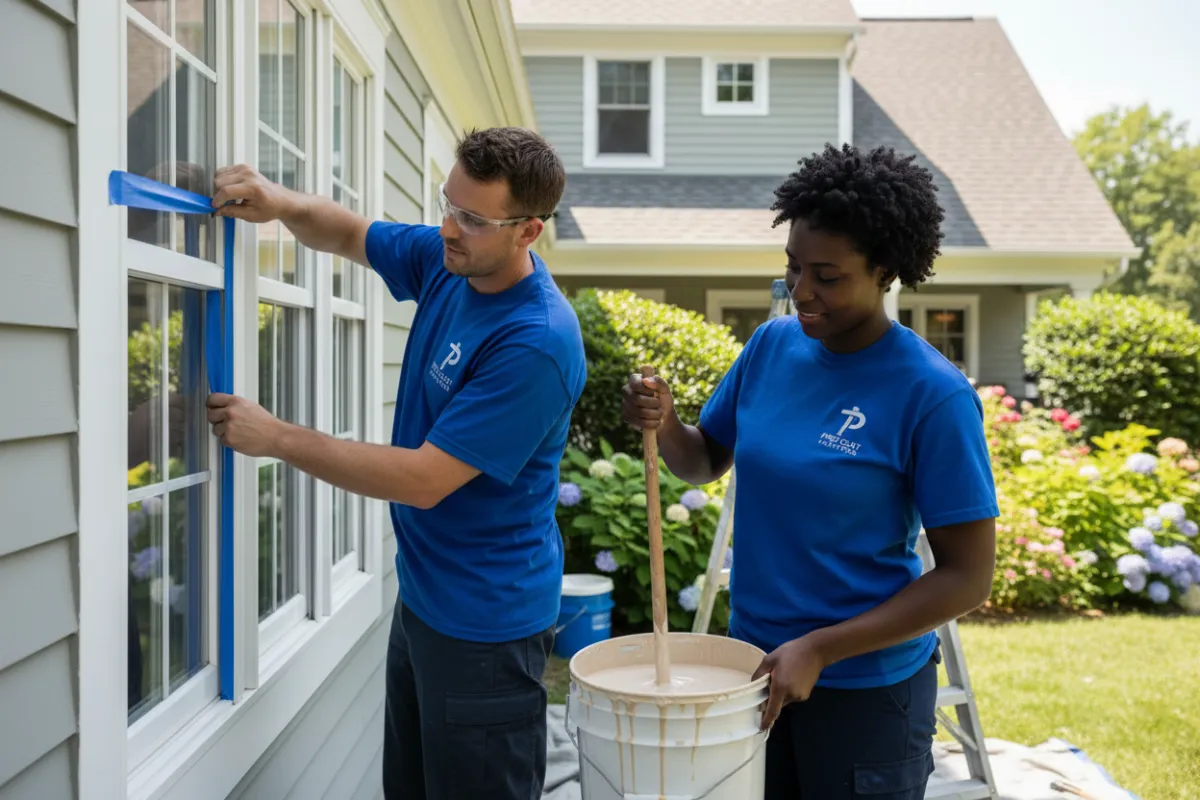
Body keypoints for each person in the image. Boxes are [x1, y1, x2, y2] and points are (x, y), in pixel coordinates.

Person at [204, 127, 587, 800]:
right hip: (426, 602)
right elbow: (352, 234)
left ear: (528, 232)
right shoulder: (454, 257)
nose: (448, 227)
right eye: (447, 203)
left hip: (486, 632)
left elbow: (424, 479)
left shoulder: (536, 342)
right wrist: (280, 201)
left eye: (471, 217)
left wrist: (278, 437)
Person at [621, 143, 998, 799]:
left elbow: (968, 578)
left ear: (883, 269)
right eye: (793, 267)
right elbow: (704, 458)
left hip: (864, 695)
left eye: (827, 275)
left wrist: (821, 648)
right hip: (753, 672)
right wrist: (665, 424)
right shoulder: (771, 346)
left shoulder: (931, 394)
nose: (801, 292)